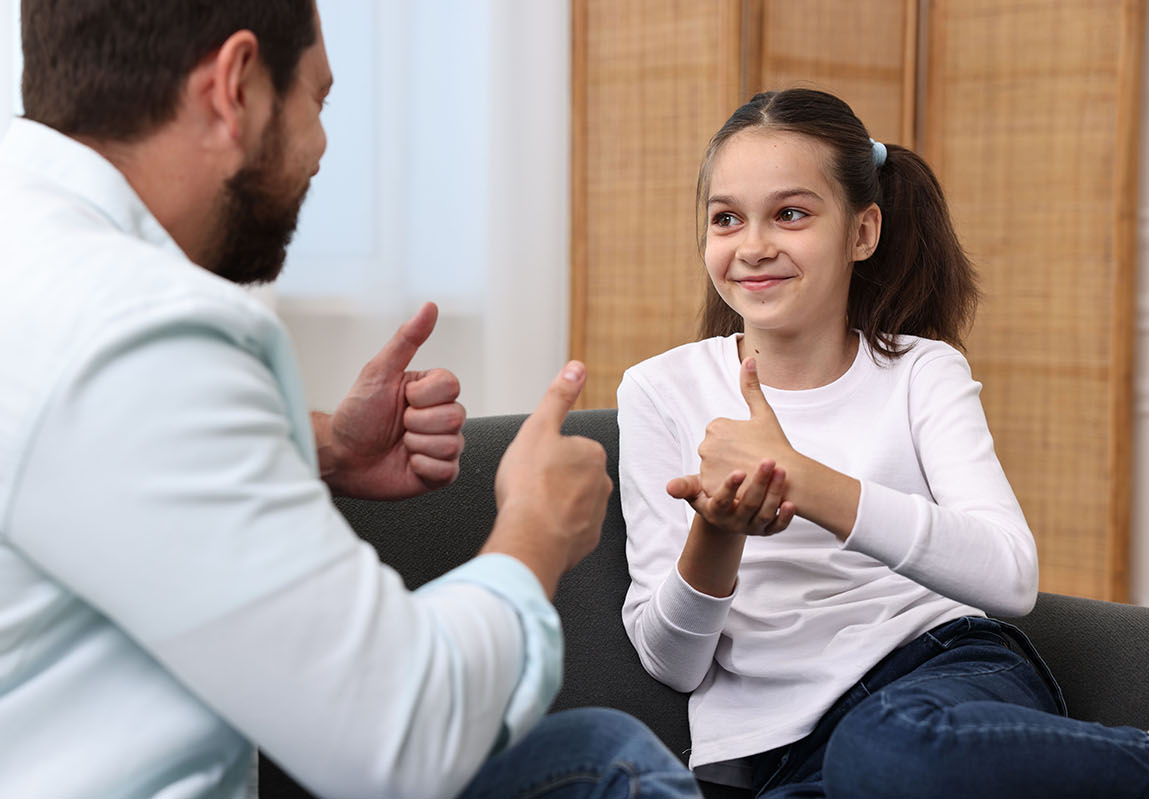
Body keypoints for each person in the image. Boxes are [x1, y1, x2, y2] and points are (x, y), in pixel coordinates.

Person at [0, 1, 696, 797]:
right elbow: (403, 736)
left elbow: (80, 434)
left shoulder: (31, 255)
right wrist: (537, 525)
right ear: (233, 86)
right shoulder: (138, 326)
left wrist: (325, 445)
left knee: (596, 752)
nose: (322, 149)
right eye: (317, 101)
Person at [616, 88, 1149, 798]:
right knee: (872, 767)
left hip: (943, 678)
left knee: (888, 752)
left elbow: (1010, 577)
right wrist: (718, 530)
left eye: (791, 214)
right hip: (780, 756)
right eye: (726, 218)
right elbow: (672, 662)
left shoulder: (921, 372)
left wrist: (804, 480)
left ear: (863, 232)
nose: (754, 244)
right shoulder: (656, 391)